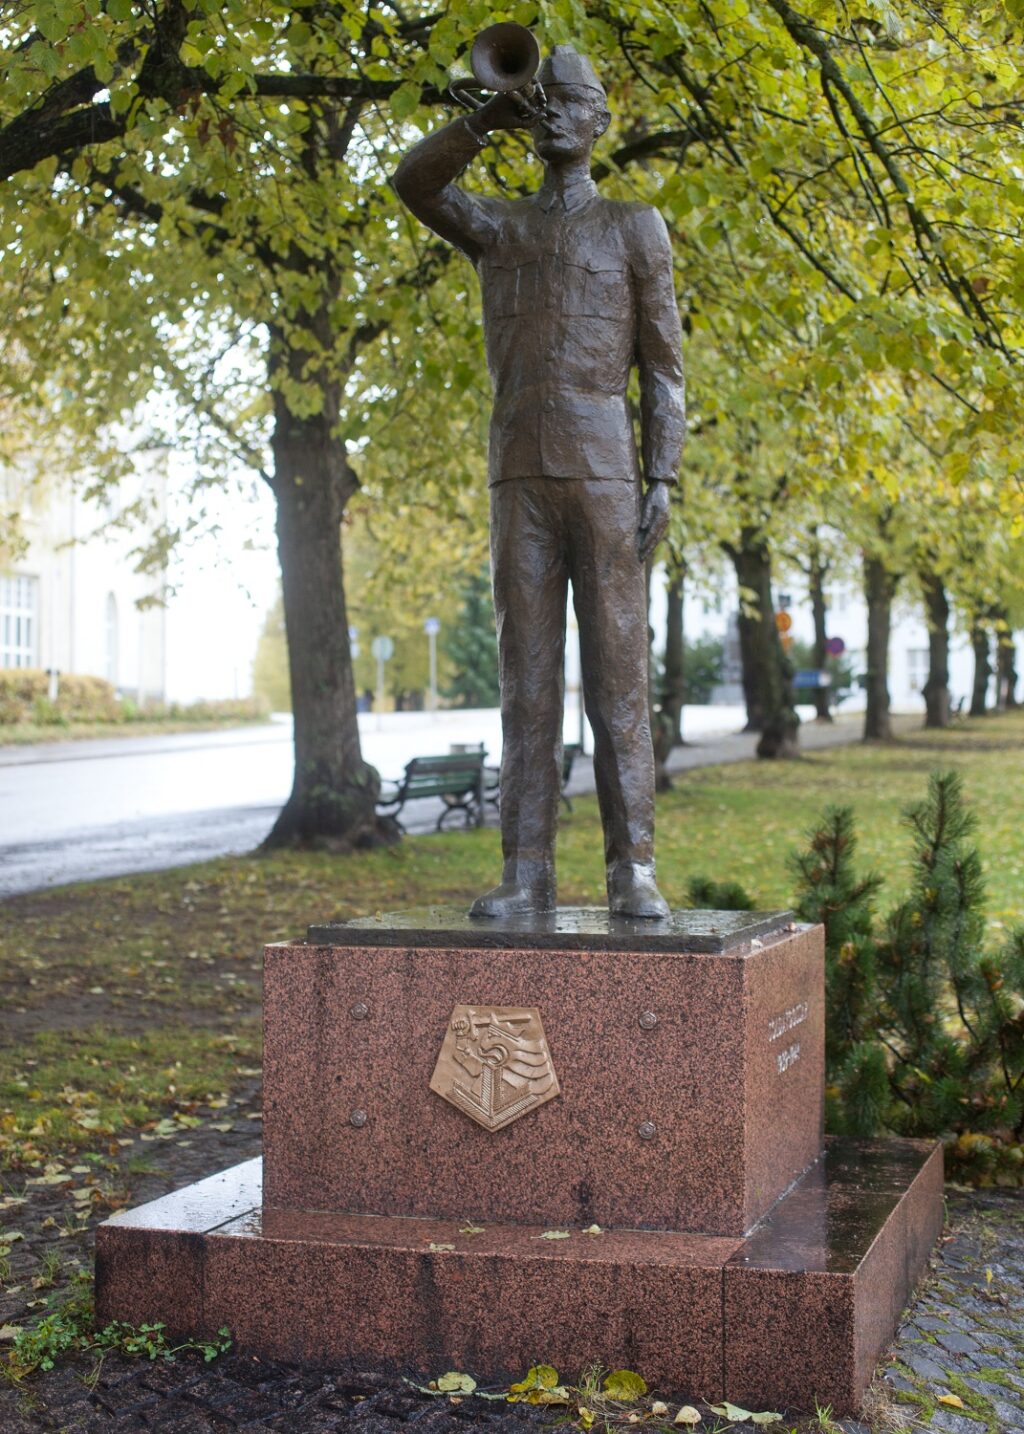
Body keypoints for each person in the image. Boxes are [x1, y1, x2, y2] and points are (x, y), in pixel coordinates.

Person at [393, 44, 685, 918]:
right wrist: (485, 114)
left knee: (618, 681)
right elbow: (415, 184)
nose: (555, 110)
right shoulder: (500, 225)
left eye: (573, 100)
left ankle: (632, 867)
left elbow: (665, 368)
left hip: (605, 476)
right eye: (544, 99)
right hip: (518, 473)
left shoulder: (636, 227)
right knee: (526, 681)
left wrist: (662, 474)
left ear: (600, 121)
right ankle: (526, 875)